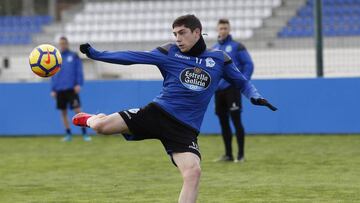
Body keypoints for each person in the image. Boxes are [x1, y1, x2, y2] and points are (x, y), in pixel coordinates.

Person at [72, 15, 277, 203]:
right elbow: (132, 56)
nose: (178, 38)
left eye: (182, 33)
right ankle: (92, 118)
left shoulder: (219, 59)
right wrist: (97, 54)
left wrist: (255, 96)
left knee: (193, 173)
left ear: (197, 32)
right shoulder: (169, 52)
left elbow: (242, 82)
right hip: (156, 114)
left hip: (184, 129)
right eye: (175, 34)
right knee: (100, 126)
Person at [212, 19, 254, 163]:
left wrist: (242, 82)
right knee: (223, 122)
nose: (223, 30)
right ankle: (228, 155)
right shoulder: (214, 48)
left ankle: (241, 155)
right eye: (221, 28)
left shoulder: (237, 46)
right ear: (217, 30)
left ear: (229, 30)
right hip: (218, 91)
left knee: (236, 121)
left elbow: (248, 64)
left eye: (225, 28)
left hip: (232, 89)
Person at [51, 36, 91, 142]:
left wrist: (78, 84)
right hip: (59, 89)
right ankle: (68, 134)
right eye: (61, 43)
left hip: (71, 89)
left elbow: (79, 70)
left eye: (64, 43)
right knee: (63, 113)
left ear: (67, 44)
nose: (62, 45)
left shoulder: (73, 56)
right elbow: (52, 74)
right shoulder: (56, 58)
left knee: (78, 111)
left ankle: (85, 134)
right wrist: (53, 89)